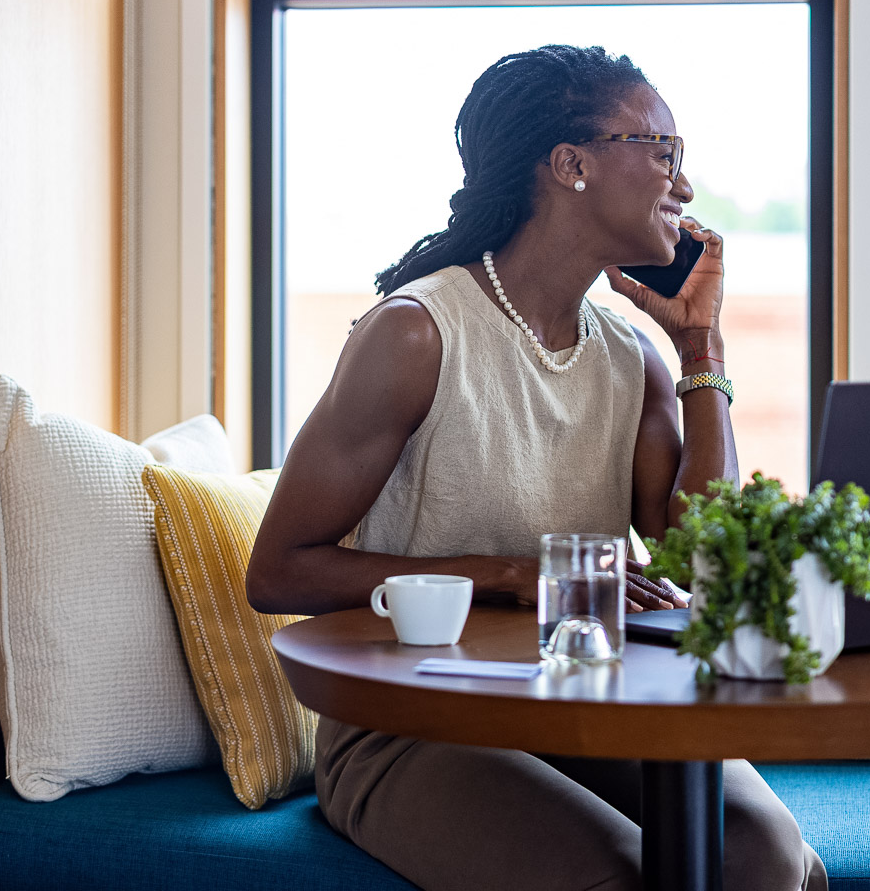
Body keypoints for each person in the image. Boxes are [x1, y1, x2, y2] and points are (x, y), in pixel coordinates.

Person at [244, 45, 826, 891]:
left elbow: (701, 556)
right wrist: (519, 575)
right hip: (415, 724)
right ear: (571, 165)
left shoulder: (633, 357)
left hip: (586, 705)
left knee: (765, 857)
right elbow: (279, 573)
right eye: (662, 151)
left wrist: (700, 346)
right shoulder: (415, 334)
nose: (685, 187)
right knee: (623, 876)